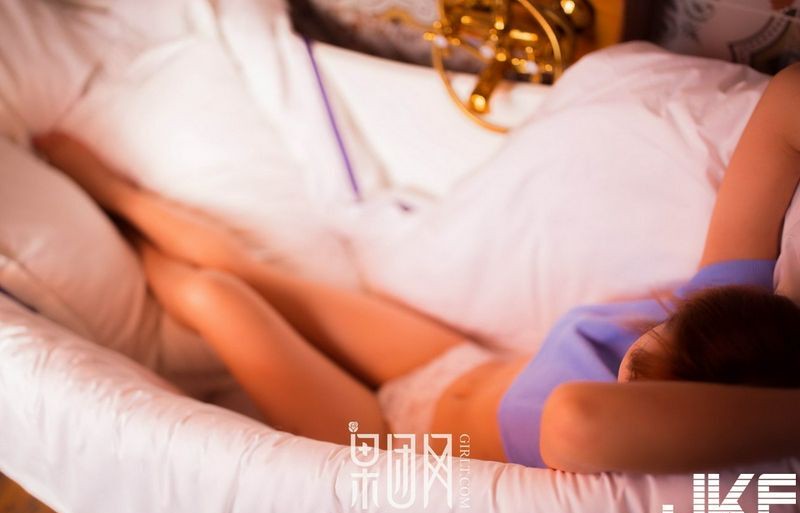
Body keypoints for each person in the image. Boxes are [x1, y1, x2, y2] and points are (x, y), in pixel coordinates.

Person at [34, 62, 800, 474]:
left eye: (645, 376)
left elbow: (577, 418)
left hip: (387, 442)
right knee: (251, 273)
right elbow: (785, 102)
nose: (634, 352)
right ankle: (116, 195)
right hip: (448, 361)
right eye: (655, 339)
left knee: (217, 298)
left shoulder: (670, 450)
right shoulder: (720, 315)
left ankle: (125, 244)